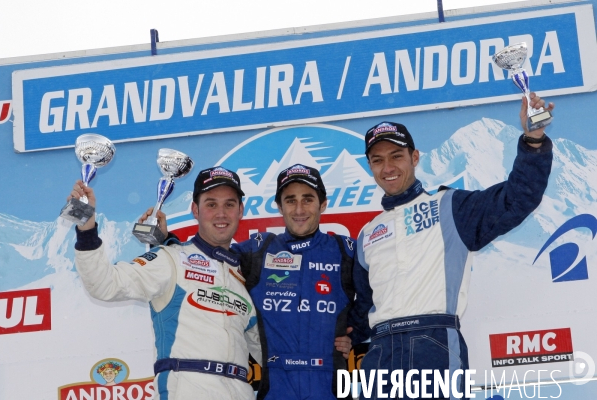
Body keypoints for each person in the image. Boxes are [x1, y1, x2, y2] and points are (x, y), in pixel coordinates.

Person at [353, 93, 554, 399]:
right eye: (377, 160)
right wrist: (345, 336)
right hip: (381, 351)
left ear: (415, 157)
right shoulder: (368, 234)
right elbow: (362, 307)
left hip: (432, 342)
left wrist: (533, 140)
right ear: (370, 166)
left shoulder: (450, 206)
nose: (387, 167)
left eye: (396, 156)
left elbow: (517, 199)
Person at [146, 164, 368, 400]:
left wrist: (353, 335)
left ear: (322, 204)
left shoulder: (346, 250)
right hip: (276, 384)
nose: (299, 209)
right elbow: (209, 259)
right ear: (279, 206)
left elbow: (373, 298)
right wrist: (167, 240)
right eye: (290, 200)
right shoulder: (257, 250)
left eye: (308, 199)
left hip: (329, 384)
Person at [70, 166, 261, 400]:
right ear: (195, 210)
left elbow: (269, 353)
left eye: (229, 204)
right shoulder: (170, 259)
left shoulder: (246, 277)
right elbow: (104, 283)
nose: (221, 213)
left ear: (240, 210)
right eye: (211, 204)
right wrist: (86, 227)